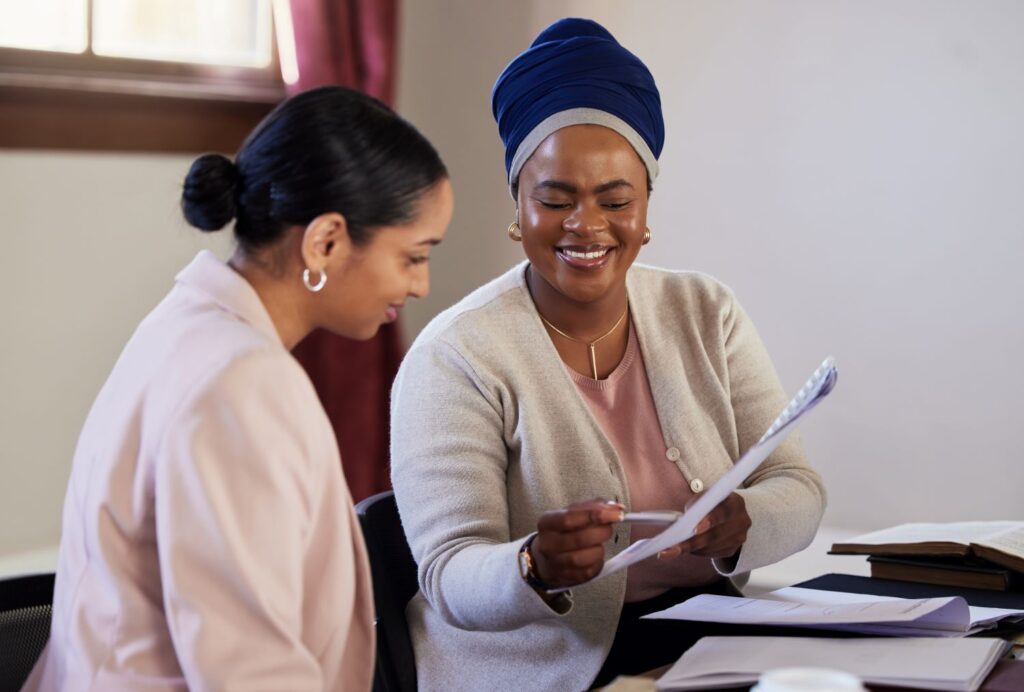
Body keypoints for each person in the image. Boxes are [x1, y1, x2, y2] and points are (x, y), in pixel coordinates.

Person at [389, 18, 825, 691]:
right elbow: (448, 573)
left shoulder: (706, 311)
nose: (586, 226)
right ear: (518, 210)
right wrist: (533, 565)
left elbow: (798, 488)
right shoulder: (457, 354)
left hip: (709, 639)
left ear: (646, 210)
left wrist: (743, 523)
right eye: (554, 199)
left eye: (615, 200)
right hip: (541, 664)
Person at [23, 86, 452, 691]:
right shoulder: (242, 386)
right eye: (413, 256)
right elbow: (250, 672)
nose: (421, 285)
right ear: (326, 241)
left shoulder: (185, 326)